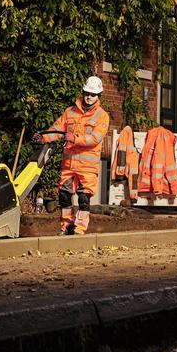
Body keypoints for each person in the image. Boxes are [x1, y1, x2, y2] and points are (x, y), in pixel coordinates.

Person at [38, 76, 111, 234]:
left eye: (93, 94)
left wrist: (75, 138)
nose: (89, 97)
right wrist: (43, 137)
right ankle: (66, 226)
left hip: (87, 167)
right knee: (64, 196)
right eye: (87, 93)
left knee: (84, 198)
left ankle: (79, 228)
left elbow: (95, 138)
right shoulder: (70, 112)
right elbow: (57, 129)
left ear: (98, 96)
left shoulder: (102, 116)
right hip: (69, 163)